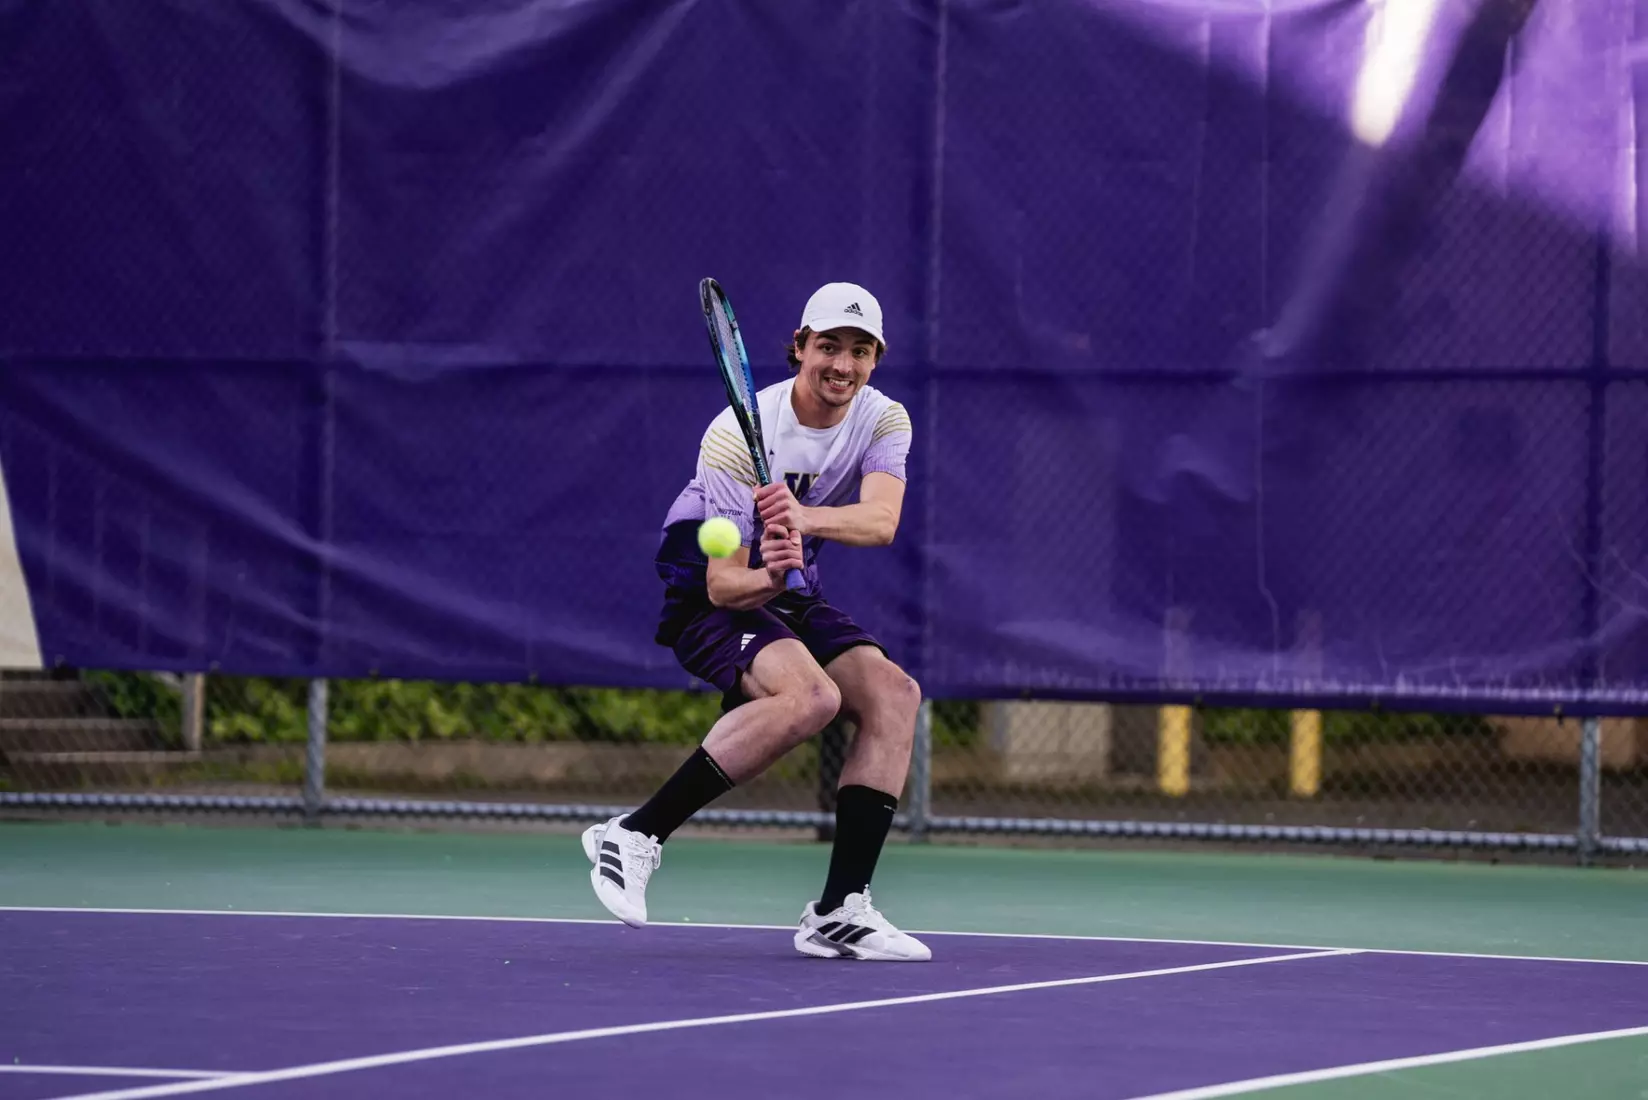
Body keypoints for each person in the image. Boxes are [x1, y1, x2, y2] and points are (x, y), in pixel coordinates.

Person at [581, 282, 929, 962]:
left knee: (894, 694)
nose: (843, 365)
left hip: (789, 584)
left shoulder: (884, 421)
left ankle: (840, 910)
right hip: (709, 592)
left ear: (875, 360)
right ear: (800, 347)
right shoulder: (735, 436)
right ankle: (636, 834)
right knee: (813, 697)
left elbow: (882, 520)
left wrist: (801, 523)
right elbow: (724, 582)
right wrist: (771, 572)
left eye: (860, 352)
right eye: (829, 346)